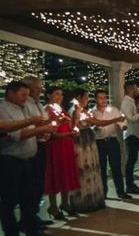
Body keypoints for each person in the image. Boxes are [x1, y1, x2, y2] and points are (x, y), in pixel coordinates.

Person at [0, 81, 57, 236]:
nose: (26, 98)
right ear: (10, 93)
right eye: (23, 95)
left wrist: (42, 133)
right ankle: (12, 234)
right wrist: (39, 129)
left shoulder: (23, 108)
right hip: (10, 160)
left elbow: (31, 130)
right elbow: (16, 134)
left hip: (28, 159)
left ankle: (32, 229)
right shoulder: (3, 109)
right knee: (9, 200)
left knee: (29, 197)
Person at [43, 86, 80, 220]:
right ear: (48, 95)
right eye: (57, 94)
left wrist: (76, 115)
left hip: (66, 145)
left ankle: (65, 203)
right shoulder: (47, 110)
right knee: (55, 174)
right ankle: (53, 206)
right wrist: (68, 133)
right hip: (55, 146)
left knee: (66, 173)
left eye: (61, 94)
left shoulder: (62, 110)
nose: (60, 97)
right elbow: (51, 132)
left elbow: (71, 125)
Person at [68, 88, 106, 213]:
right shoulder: (74, 110)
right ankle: (83, 201)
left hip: (88, 139)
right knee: (83, 168)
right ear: (79, 98)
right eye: (86, 97)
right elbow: (74, 126)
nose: (87, 100)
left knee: (92, 167)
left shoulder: (84, 110)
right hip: (81, 142)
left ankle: (94, 197)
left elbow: (91, 122)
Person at [91, 90, 130, 200]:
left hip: (112, 141)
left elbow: (122, 121)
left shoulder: (113, 110)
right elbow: (89, 126)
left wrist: (123, 126)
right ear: (95, 99)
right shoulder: (92, 112)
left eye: (104, 97)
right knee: (101, 168)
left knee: (116, 167)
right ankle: (103, 192)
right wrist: (94, 128)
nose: (103, 100)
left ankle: (121, 191)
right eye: (100, 98)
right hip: (99, 142)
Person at [23, 76, 50, 225]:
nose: (40, 91)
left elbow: (43, 121)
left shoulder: (38, 104)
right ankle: (28, 219)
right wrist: (40, 130)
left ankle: (34, 216)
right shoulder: (25, 104)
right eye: (37, 88)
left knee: (39, 183)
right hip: (30, 146)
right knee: (30, 185)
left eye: (40, 88)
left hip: (41, 145)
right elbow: (27, 125)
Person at [121, 82, 139, 194]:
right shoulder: (126, 102)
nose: (137, 90)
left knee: (133, 160)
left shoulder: (131, 102)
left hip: (137, 133)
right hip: (132, 134)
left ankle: (132, 184)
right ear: (131, 89)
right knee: (131, 161)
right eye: (136, 88)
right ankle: (129, 185)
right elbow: (129, 118)